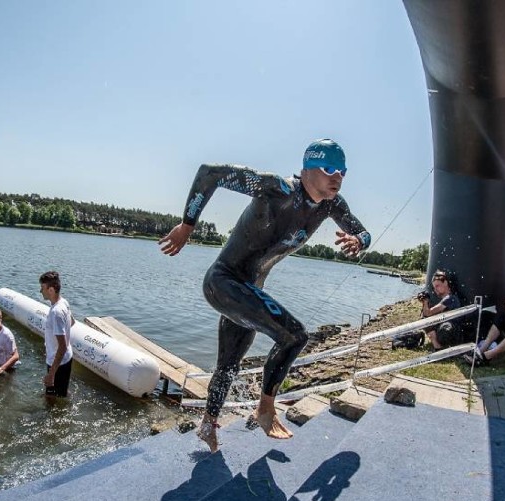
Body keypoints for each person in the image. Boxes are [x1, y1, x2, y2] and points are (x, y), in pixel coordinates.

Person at [158, 138, 371, 452]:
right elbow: (210, 173)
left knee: (228, 365)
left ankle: (207, 425)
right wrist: (187, 226)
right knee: (295, 335)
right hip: (223, 282)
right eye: (329, 169)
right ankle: (266, 408)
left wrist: (359, 242)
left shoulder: (331, 205)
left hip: (249, 293)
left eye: (343, 171)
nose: (337, 177)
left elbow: (363, 232)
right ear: (308, 169)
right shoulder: (277, 189)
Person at [39, 271, 74, 397]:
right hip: (66, 359)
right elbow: (72, 322)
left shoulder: (56, 312)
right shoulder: (63, 302)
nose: (40, 291)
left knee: (51, 398)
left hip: (58, 363)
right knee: (61, 394)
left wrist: (51, 374)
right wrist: (51, 344)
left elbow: (62, 346)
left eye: (42, 288)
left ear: (51, 290)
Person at [419, 270, 461, 350]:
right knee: (426, 319)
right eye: (434, 288)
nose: (435, 290)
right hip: (452, 330)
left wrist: (425, 302)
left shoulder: (450, 298)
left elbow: (428, 313)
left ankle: (438, 346)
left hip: (451, 330)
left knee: (425, 319)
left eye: (437, 286)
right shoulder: (450, 298)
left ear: (445, 282)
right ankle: (437, 346)